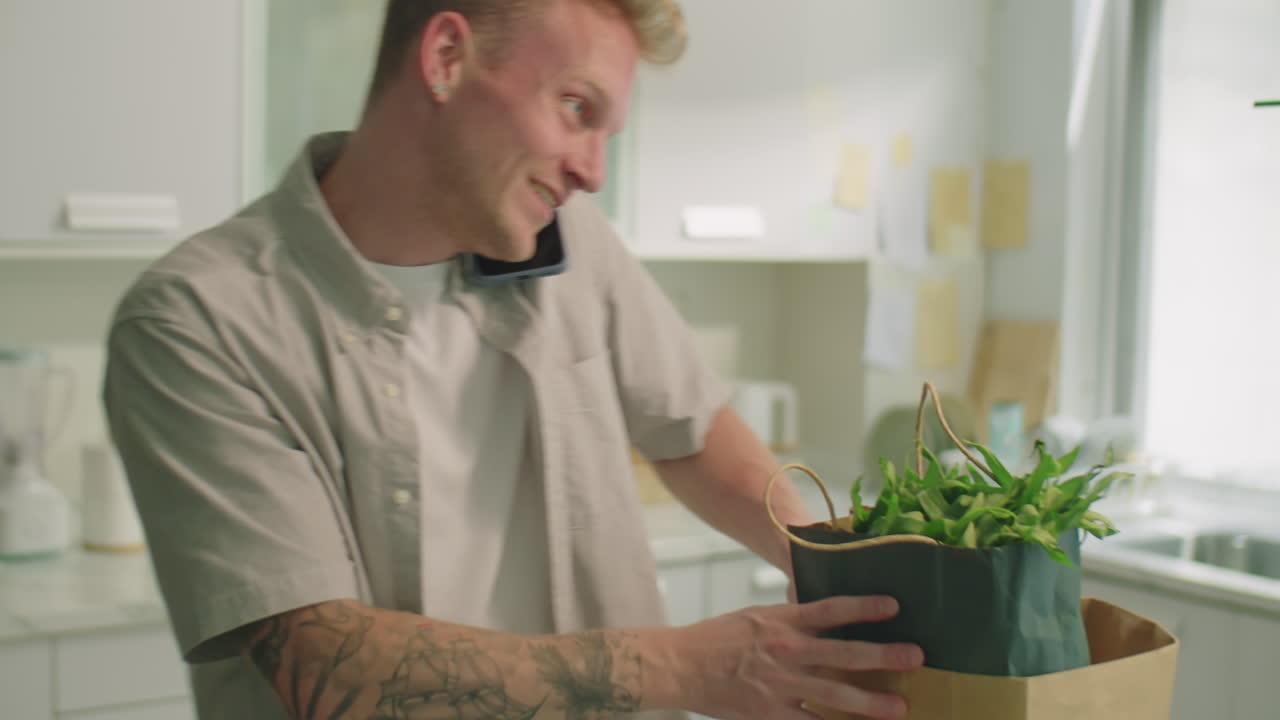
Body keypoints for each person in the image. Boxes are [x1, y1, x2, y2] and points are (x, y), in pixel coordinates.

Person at [102, 1, 924, 718]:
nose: (594, 172)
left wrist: (849, 574)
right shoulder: (197, 320)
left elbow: (695, 432)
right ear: (447, 59)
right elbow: (324, 667)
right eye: (576, 108)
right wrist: (692, 667)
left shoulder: (570, 247)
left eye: (608, 132)